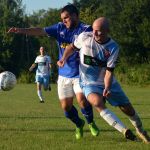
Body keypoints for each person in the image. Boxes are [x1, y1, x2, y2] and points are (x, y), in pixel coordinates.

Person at [7, 4, 99, 139]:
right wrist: (20, 30)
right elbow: (40, 31)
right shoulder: (59, 28)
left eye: (66, 18)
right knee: (66, 108)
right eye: (62, 18)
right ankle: (79, 124)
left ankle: (91, 123)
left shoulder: (85, 29)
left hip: (81, 73)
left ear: (75, 15)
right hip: (63, 75)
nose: (64, 21)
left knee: (82, 100)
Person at [57, 17, 150, 143]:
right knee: (96, 102)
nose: (95, 33)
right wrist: (63, 58)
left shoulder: (113, 47)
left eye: (99, 31)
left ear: (107, 31)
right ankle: (125, 131)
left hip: (107, 81)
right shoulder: (85, 37)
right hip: (88, 82)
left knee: (128, 109)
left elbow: (108, 72)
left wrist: (107, 87)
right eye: (94, 30)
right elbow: (71, 47)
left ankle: (140, 131)